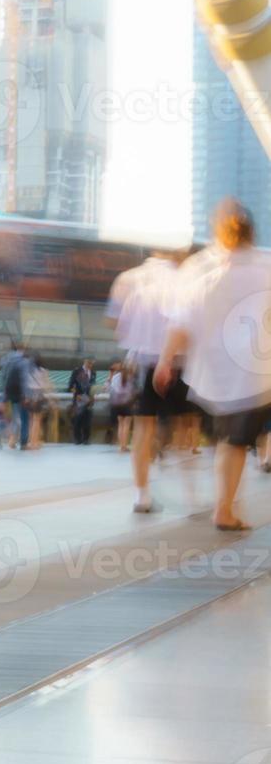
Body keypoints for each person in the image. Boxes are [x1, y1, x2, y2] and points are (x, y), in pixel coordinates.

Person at [157, 198, 271, 531]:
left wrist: (166, 361)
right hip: (258, 376)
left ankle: (224, 508)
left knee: (230, 442)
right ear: (251, 233)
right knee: (234, 443)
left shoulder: (201, 269)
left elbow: (180, 323)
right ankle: (223, 509)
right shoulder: (265, 267)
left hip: (216, 377)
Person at [106, 246, 192, 513]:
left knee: (143, 430)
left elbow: (112, 323)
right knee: (186, 425)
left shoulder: (128, 278)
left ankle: (142, 496)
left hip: (144, 362)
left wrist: (141, 329)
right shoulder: (186, 279)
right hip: (179, 362)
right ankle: (190, 492)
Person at [0, 341, 33, 449]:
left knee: (15, 417)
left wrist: (3, 397)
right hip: (21, 394)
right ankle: (23, 443)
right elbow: (24, 380)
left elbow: (3, 378)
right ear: (23, 350)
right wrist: (26, 395)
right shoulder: (24, 361)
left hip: (9, 393)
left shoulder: (6, 360)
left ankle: (12, 441)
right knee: (25, 418)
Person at [67, 358, 97, 445]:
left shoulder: (93, 373)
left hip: (88, 399)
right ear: (84, 361)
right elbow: (70, 386)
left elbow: (93, 387)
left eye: (92, 363)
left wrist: (93, 397)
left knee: (88, 420)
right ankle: (78, 439)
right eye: (89, 362)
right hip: (78, 399)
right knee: (77, 420)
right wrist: (76, 395)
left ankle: (86, 439)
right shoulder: (77, 371)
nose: (91, 364)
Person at [106, 362, 134, 452]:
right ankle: (124, 445)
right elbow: (132, 391)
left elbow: (110, 388)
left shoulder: (115, 377)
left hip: (117, 403)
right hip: (127, 403)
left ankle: (121, 446)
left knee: (120, 425)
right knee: (126, 425)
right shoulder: (131, 377)